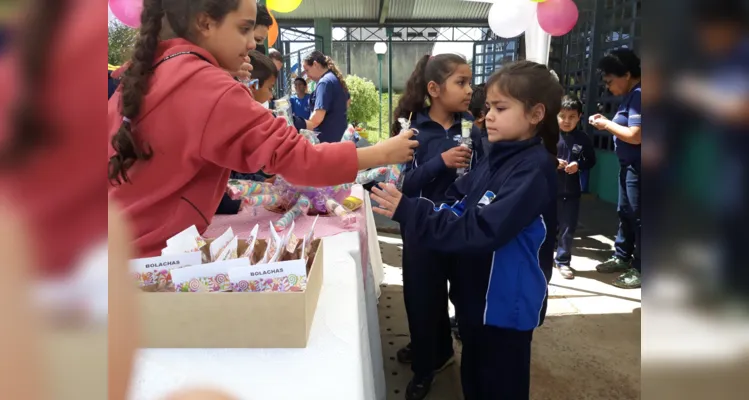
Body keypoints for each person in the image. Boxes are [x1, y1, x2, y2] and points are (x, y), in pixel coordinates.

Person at [107, 0, 417, 258]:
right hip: (149, 261)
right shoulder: (208, 87)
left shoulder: (144, 75)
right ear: (205, 23)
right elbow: (300, 159)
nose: (253, 42)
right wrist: (383, 152)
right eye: (243, 29)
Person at [371, 60, 560, 400]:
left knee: (499, 385)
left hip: (505, 307)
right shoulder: (497, 157)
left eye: (500, 108)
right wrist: (416, 211)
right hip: (477, 301)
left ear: (535, 114)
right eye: (488, 108)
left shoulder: (532, 171)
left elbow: (483, 228)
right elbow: (461, 201)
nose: (488, 116)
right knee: (474, 379)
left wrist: (413, 212)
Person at [388, 53, 481, 400]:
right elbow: (403, 184)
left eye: (470, 82)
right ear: (434, 89)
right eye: (461, 82)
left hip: (460, 228)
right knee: (422, 300)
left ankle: (443, 352)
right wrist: (439, 163)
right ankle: (426, 367)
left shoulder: (474, 128)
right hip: (420, 229)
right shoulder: (411, 129)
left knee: (463, 295)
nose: (469, 90)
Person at [589, 49, 642, 289]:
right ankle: (622, 256)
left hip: (640, 166)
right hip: (628, 165)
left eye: (610, 81)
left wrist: (607, 124)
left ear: (627, 74)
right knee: (626, 212)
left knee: (639, 216)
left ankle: (641, 268)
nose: (608, 87)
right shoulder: (631, 96)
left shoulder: (640, 95)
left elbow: (635, 136)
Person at [215, 50, 279, 215]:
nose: (271, 96)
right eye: (270, 88)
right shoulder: (223, 118)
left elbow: (235, 172)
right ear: (252, 85)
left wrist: (263, 182)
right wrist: (233, 202)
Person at [555, 95, 596, 279]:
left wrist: (578, 165)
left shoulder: (583, 138)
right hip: (548, 191)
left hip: (571, 192)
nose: (566, 121)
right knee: (546, 226)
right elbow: (535, 157)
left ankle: (563, 261)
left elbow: (591, 160)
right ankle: (542, 257)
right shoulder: (547, 136)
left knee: (567, 227)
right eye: (562, 116)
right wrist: (552, 161)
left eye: (572, 116)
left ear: (579, 117)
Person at [302, 51, 350, 142]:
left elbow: (317, 118)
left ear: (315, 64)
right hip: (339, 136)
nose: (307, 75)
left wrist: (303, 132)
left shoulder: (324, 82)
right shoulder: (335, 78)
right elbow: (347, 102)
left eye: (307, 70)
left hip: (325, 141)